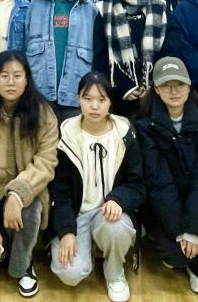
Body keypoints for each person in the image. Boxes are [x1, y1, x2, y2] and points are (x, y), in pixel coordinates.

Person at [0, 51, 58, 298]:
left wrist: (17, 194)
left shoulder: (43, 114)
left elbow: (46, 162)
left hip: (29, 195)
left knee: (29, 209)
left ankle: (22, 267)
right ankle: (4, 248)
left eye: (17, 75)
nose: (11, 81)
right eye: (4, 75)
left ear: (27, 78)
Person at [48, 72, 145, 302]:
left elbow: (137, 184)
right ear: (78, 99)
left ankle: (115, 271)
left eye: (101, 100)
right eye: (87, 98)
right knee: (70, 273)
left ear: (110, 103)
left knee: (116, 228)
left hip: (109, 213)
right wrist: (67, 231)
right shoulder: (66, 135)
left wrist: (118, 199)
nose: (94, 106)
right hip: (77, 215)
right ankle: (88, 247)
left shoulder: (125, 133)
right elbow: (60, 191)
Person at [133, 57, 198, 295]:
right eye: (166, 85)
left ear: (189, 87)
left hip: (197, 201)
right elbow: (158, 182)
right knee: (177, 256)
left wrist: (195, 230)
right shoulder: (144, 127)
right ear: (156, 89)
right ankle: (180, 249)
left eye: (179, 84)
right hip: (162, 206)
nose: (174, 91)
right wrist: (182, 232)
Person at [25, 0, 98, 120]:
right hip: (40, 91)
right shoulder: (35, 4)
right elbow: (24, 44)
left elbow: (98, 52)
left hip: (77, 92)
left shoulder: (88, 8)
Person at [93, 0, 168, 117]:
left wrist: (154, 84)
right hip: (118, 95)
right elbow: (100, 55)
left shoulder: (159, 5)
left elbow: (169, 49)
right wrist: (122, 87)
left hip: (156, 92)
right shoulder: (104, 8)